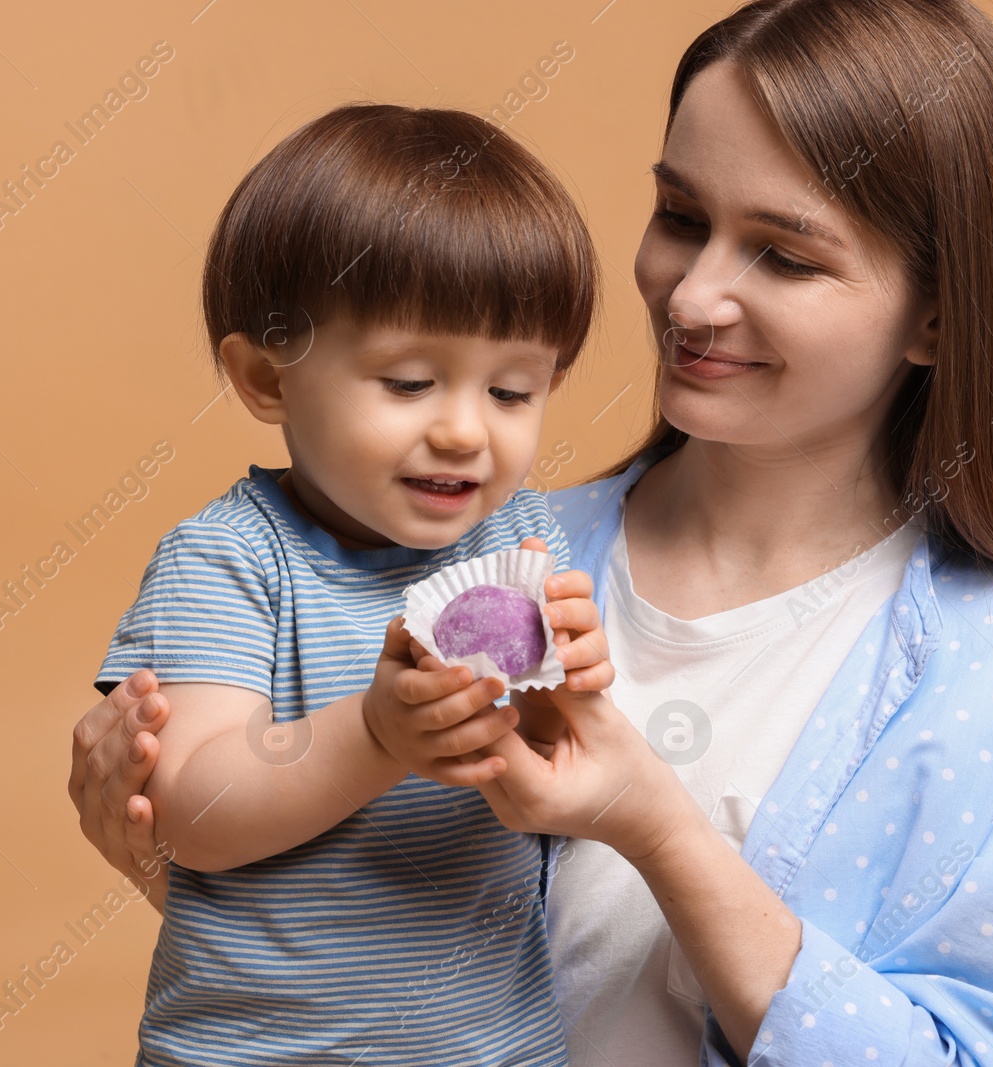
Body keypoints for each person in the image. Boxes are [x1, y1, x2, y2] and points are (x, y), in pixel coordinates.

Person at [71, 2, 993, 1064]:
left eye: (783, 256)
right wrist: (151, 841)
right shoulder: (483, 555)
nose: (691, 298)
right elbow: (343, 929)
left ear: (937, 312)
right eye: (682, 218)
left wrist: (660, 826)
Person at [88, 101, 619, 1066]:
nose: (465, 429)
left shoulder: (525, 537)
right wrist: (377, 734)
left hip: (499, 1046)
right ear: (267, 378)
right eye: (411, 381)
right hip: (255, 1048)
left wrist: (566, 691)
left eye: (512, 391)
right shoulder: (230, 561)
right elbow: (192, 812)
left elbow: (555, 785)